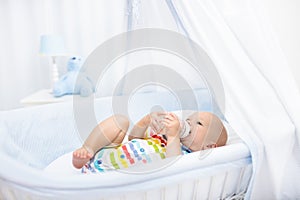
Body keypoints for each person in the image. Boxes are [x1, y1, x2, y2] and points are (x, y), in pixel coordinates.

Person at [72, 111, 228, 173]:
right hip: (105, 155)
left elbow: (172, 166)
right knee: (121, 121)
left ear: (208, 146)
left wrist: (173, 136)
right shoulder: (164, 136)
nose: (188, 123)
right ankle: (88, 150)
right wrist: (146, 120)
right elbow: (133, 138)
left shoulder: (187, 157)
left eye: (198, 123)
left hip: (113, 174)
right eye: (188, 120)